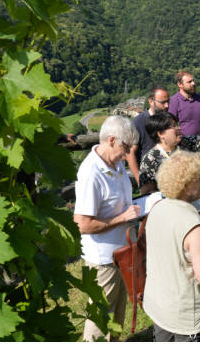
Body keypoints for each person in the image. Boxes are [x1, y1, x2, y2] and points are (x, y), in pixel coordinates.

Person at [144, 151, 200, 342]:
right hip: (186, 314)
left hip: (160, 306)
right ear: (184, 185)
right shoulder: (192, 224)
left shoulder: (157, 209)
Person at [73, 116, 143, 341]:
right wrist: (122, 217)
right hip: (103, 260)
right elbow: (82, 224)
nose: (127, 154)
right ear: (111, 140)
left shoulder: (116, 162)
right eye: (125, 147)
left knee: (117, 316)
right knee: (101, 320)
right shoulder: (90, 173)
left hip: (121, 253)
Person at [138, 106, 200, 222]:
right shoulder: (150, 159)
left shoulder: (186, 143)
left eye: (177, 124)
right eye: (173, 126)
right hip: (171, 215)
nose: (178, 128)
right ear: (161, 134)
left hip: (194, 207)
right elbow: (147, 194)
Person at [128, 85, 170, 186]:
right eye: (163, 102)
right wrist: (141, 182)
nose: (167, 105)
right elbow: (130, 154)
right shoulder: (138, 123)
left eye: (168, 101)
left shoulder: (168, 119)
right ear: (151, 101)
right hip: (151, 181)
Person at [168, 71, 200, 136]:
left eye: (193, 80)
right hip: (183, 143)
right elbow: (171, 126)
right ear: (180, 84)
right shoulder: (174, 101)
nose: (193, 83)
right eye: (189, 82)